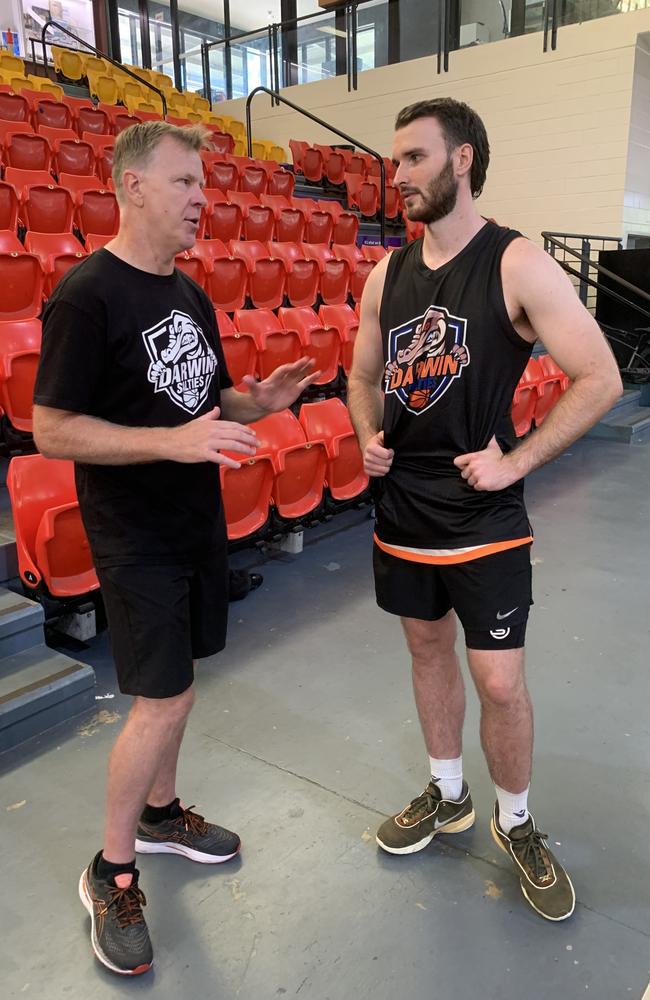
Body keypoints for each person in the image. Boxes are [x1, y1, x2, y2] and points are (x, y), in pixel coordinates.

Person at [32, 122, 317, 975]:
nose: (203, 198)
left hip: (194, 523)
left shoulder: (187, 294)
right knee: (161, 700)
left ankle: (162, 815)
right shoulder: (87, 295)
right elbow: (50, 428)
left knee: (181, 690)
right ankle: (111, 870)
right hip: (135, 536)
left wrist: (250, 404)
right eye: (185, 181)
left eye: (203, 183)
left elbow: (202, 401)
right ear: (132, 187)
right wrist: (174, 445)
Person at [348, 98, 622, 922]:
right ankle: (448, 794)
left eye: (414, 159)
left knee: (499, 681)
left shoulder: (516, 264)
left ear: (462, 160)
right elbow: (362, 377)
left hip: (482, 517)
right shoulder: (385, 274)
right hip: (403, 512)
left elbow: (601, 377)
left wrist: (518, 460)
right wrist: (366, 434)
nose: (397, 177)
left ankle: (516, 820)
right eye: (395, 162)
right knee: (428, 656)